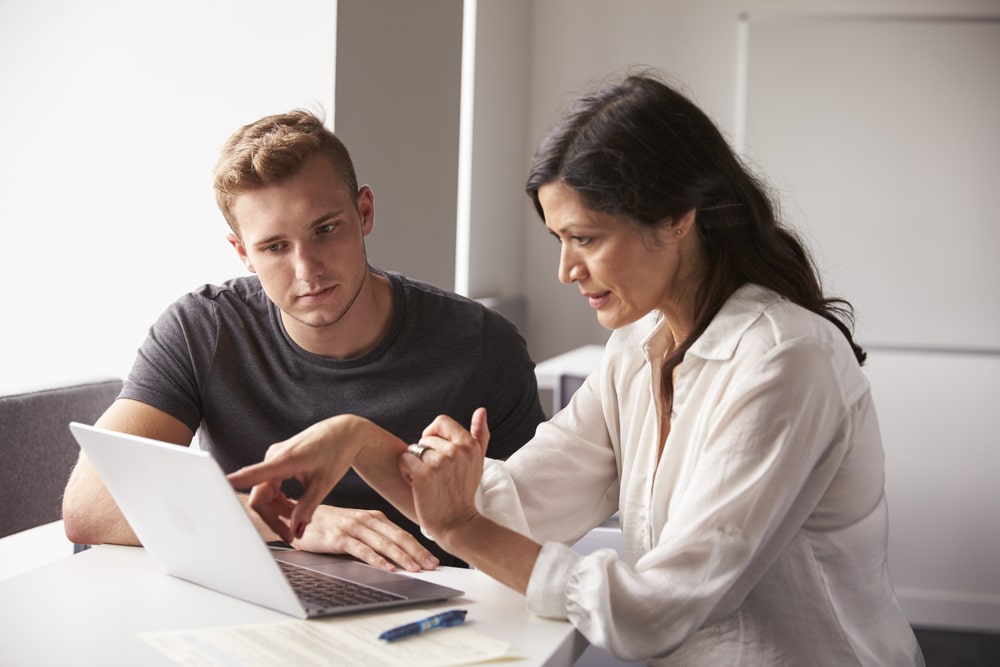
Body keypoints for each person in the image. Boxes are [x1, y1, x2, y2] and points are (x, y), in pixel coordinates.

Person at [226, 72, 924, 665]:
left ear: (678, 217)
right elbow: (516, 507)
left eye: (586, 238)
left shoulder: (782, 359)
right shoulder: (640, 346)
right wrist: (354, 436)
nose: (566, 269)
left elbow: (652, 612)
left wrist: (464, 527)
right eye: (560, 239)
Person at [61, 109, 546, 572]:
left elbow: (541, 538)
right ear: (242, 252)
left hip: (437, 610)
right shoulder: (201, 329)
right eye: (274, 247)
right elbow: (89, 505)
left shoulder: (482, 344)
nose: (306, 269)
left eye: (326, 229)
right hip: (259, 598)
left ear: (365, 211)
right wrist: (293, 522)